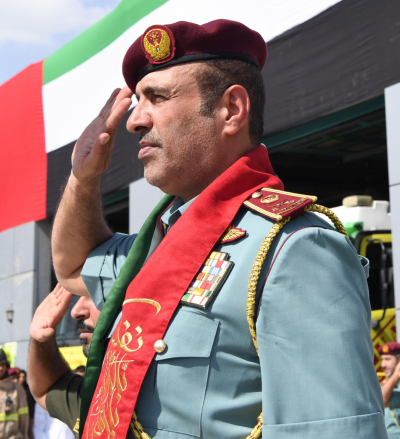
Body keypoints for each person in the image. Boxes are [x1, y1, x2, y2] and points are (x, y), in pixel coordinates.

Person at [51, 19, 387, 439]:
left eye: (157, 97)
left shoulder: (296, 246)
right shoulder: (159, 242)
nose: (135, 120)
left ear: (231, 110)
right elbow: (74, 267)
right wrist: (83, 179)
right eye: (138, 100)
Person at [28, 284, 100, 438]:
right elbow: (48, 388)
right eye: (78, 296)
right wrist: (41, 338)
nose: (75, 311)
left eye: (95, 294)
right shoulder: (95, 396)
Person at [0, 349, 29, 439]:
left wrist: (24, 436)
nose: (0, 368)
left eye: (2, 365)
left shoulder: (17, 389)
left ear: (7, 366)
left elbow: (24, 417)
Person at [379, 342, 400, 437]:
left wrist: (396, 374)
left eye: (387, 359)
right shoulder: (387, 384)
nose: (382, 365)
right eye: (382, 359)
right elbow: (381, 399)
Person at [18, 371, 35, 439]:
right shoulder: (13, 389)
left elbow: (31, 406)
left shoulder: (28, 391)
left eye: (23, 377)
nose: (21, 379)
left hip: (27, 418)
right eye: (20, 377)